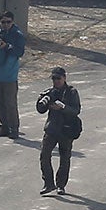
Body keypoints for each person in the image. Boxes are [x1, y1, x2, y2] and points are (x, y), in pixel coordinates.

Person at [37, 67, 82, 195]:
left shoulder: (71, 92)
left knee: (65, 158)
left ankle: (61, 185)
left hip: (67, 130)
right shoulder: (50, 92)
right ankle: (49, 184)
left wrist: (62, 107)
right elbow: (40, 109)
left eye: (58, 78)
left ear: (64, 78)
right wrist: (44, 101)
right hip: (52, 129)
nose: (56, 81)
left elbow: (76, 110)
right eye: (54, 79)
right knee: (44, 155)